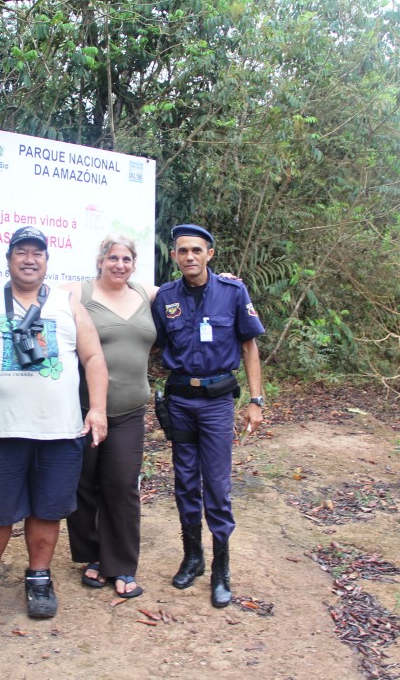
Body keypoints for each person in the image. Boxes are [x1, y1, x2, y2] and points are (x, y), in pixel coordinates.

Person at [0, 225, 108, 621]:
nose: (30, 258)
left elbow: (93, 359)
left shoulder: (68, 304)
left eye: (37, 252)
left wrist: (97, 409)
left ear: (47, 261)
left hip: (59, 431)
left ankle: (39, 577)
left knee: (48, 509)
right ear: (9, 259)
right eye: (22, 251)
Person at [151, 224, 266, 608]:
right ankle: (193, 557)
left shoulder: (233, 292)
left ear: (210, 254)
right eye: (182, 251)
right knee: (184, 482)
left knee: (216, 485)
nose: (189, 257)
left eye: (197, 250)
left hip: (217, 404)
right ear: (174, 256)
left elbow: (249, 347)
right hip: (181, 401)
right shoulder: (165, 296)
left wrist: (256, 400)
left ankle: (221, 569)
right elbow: (153, 339)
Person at [63, 234, 159, 599]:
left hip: (130, 411)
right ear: (100, 260)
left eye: (126, 259)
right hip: (85, 409)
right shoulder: (79, 293)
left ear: (133, 264)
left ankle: (121, 564)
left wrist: (227, 281)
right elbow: (32, 289)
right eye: (113, 258)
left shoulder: (146, 295)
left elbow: (189, 286)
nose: (120, 265)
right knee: (84, 484)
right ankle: (93, 555)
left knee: (121, 486)